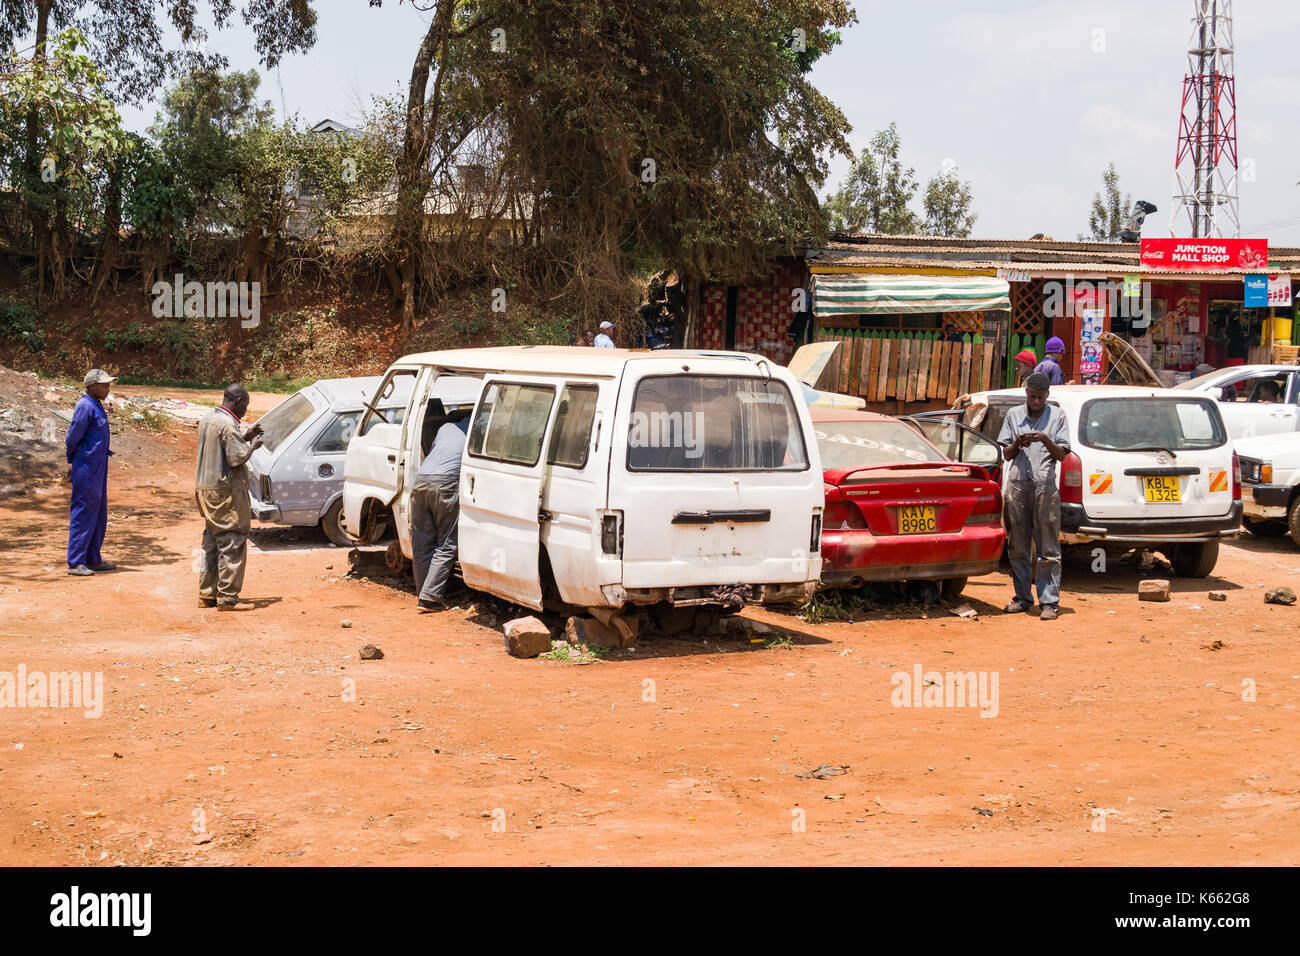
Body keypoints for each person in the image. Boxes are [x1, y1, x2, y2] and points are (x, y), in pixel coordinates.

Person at [998, 372, 1071, 621]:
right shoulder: (1013, 415)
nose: (1036, 401)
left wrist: (1044, 439)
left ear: (1047, 395)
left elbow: (1062, 455)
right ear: (1026, 393)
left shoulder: (1058, 416)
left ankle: (1049, 602)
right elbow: (1006, 454)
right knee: (1018, 546)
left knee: (1048, 548)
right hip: (1017, 486)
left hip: (1044, 487)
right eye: (1032, 397)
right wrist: (1017, 444)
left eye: (1040, 397)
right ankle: (1022, 598)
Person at [195, 384, 262, 610]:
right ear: (239, 400)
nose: (245, 410)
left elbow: (222, 448)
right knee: (233, 541)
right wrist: (253, 445)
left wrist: (244, 436)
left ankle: (207, 595)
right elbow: (236, 458)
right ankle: (228, 598)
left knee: (212, 541)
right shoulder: (227, 423)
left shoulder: (208, 418)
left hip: (206, 490)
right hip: (225, 493)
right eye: (245, 404)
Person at [410, 416, 467, 610]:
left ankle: (423, 593)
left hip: (421, 481)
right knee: (446, 542)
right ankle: (430, 598)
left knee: (422, 542)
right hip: (445, 482)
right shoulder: (475, 429)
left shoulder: (445, 428)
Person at [65, 369, 117, 576]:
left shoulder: (97, 405)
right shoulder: (85, 406)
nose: (108, 389)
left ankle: (93, 558)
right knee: (83, 512)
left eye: (108, 385)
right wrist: (71, 461)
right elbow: (72, 438)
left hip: (98, 467)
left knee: (98, 513)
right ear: (92, 386)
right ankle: (76, 561)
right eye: (104, 385)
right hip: (86, 468)